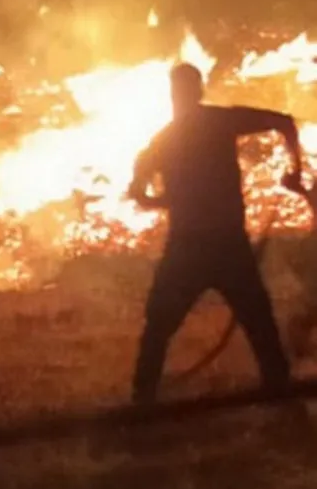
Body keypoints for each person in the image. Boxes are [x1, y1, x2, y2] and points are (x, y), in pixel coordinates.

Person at [127, 62, 301, 404]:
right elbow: (284, 122)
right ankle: (280, 390)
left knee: (159, 327)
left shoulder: (162, 142)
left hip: (190, 248)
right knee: (258, 321)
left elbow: (139, 194)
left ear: (173, 95)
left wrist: (169, 200)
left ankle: (142, 400)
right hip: (223, 244)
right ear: (199, 90)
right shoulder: (219, 122)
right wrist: (295, 170)